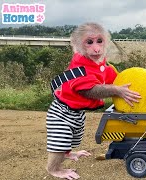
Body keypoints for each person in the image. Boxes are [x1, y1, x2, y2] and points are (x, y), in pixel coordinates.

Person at [46, 22, 141, 180]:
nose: (96, 49)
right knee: (61, 139)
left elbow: (116, 79)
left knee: (74, 136)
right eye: (89, 42)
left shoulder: (100, 64)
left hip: (77, 112)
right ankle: (54, 168)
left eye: (100, 41)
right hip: (62, 112)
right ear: (77, 45)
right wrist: (116, 90)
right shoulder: (80, 66)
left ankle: (68, 153)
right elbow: (89, 91)